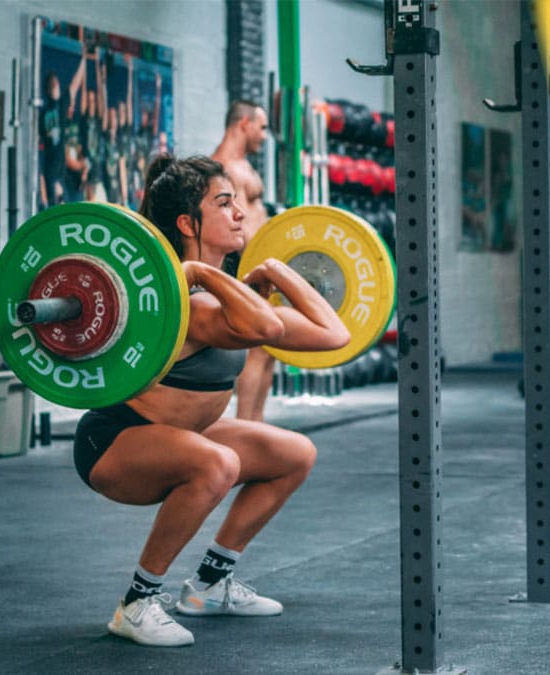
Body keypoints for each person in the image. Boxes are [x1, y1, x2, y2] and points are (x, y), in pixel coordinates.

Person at [72, 155, 351, 646]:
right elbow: (265, 327)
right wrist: (200, 272)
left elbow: (335, 334)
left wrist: (275, 270)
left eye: (238, 203)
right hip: (113, 441)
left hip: (186, 435)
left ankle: (208, 585)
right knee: (219, 463)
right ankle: (137, 604)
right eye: (224, 203)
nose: (240, 213)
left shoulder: (222, 298)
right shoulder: (192, 304)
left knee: (295, 454)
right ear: (187, 222)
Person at [212, 100, 273, 421]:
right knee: (257, 348)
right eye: (262, 127)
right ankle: (249, 426)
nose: (265, 136)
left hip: (260, 262)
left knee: (269, 348)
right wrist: (262, 268)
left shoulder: (243, 166)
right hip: (246, 264)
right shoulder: (222, 168)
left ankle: (256, 424)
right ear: (244, 123)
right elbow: (236, 226)